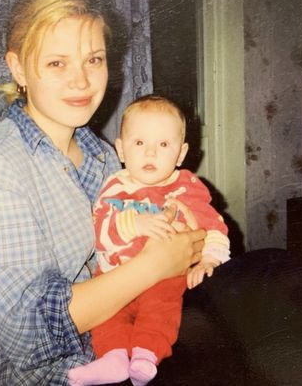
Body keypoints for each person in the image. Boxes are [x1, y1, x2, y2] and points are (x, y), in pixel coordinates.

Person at [0, 0, 206, 385]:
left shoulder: (100, 154)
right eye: (57, 63)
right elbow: (31, 336)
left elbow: (126, 244)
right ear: (19, 68)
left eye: (94, 59)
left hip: (116, 344)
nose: (81, 81)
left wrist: (184, 242)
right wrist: (155, 265)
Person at [68, 95, 231, 386]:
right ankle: (113, 358)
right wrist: (134, 224)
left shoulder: (187, 187)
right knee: (108, 317)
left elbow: (213, 226)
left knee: (160, 310)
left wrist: (209, 258)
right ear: (121, 149)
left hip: (165, 278)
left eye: (163, 145)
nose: (150, 154)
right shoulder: (116, 186)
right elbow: (100, 231)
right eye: (140, 143)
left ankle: (146, 355)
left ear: (180, 154)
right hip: (115, 275)